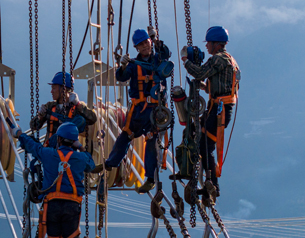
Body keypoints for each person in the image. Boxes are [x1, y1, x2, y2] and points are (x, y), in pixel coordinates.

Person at [12, 122, 96, 238]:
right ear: (74, 141)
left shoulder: (48, 154)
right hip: (72, 207)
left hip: (52, 206)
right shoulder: (80, 158)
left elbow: (32, 146)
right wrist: (80, 147)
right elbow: (91, 164)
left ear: (58, 139)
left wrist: (19, 133)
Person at [104, 28, 173, 194]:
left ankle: (150, 179)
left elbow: (166, 54)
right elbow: (121, 77)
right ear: (136, 47)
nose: (145, 46)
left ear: (150, 42)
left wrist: (156, 39)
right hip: (139, 111)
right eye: (141, 45)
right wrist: (122, 66)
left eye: (146, 42)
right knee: (125, 135)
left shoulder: (159, 59)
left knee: (152, 141)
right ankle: (110, 164)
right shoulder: (133, 64)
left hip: (156, 111)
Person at [182, 25, 240, 197]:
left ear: (216, 43)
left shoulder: (218, 59)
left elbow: (199, 72)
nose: (206, 46)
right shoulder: (229, 60)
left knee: (205, 147)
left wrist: (186, 61)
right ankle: (209, 185)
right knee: (199, 139)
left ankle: (213, 186)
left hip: (219, 111)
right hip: (218, 108)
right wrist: (203, 86)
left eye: (208, 43)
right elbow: (217, 86)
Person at [29, 72, 98, 147]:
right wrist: (40, 116)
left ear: (63, 89)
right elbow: (33, 126)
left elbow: (92, 119)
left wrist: (78, 104)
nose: (51, 91)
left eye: (54, 88)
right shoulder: (50, 107)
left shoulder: (76, 108)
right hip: (50, 150)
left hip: (67, 151)